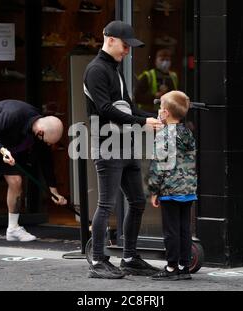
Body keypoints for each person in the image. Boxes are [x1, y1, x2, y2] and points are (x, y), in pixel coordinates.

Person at [83, 20, 163, 279]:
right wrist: (142, 122)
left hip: (124, 144)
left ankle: (129, 258)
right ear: (109, 39)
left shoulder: (115, 69)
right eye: (125, 45)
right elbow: (106, 109)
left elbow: (127, 106)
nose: (128, 50)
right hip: (107, 145)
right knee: (106, 204)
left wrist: (155, 117)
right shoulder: (96, 70)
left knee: (137, 202)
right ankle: (98, 262)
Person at [0, 99, 67, 250]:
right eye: (48, 142)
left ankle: (13, 228)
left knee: (16, 181)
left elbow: (45, 159)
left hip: (0, 142)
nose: (48, 145)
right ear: (40, 132)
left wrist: (53, 190)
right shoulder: (14, 114)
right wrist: (2, 150)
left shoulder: (37, 125)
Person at [148, 91, 197, 281]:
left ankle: (171, 267)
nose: (159, 111)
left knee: (171, 231)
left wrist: (154, 191)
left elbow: (159, 166)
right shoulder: (188, 133)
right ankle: (185, 267)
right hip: (188, 190)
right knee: (185, 230)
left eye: (160, 108)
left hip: (170, 190)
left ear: (166, 113)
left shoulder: (163, 136)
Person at [134, 48, 178, 113]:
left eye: (167, 60)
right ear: (156, 61)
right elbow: (137, 97)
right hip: (149, 114)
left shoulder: (173, 76)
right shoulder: (148, 76)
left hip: (168, 114)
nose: (165, 62)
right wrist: (155, 96)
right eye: (162, 59)